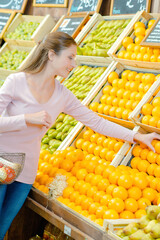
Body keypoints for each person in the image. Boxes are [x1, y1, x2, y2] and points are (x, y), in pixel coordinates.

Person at [0, 31, 159, 239]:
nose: (73, 64)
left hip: (27, 173)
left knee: (2, 230)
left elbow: (97, 122)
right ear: (51, 55)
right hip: (3, 163)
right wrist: (27, 119)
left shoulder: (62, 95)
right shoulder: (16, 82)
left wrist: (137, 136)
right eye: (70, 57)